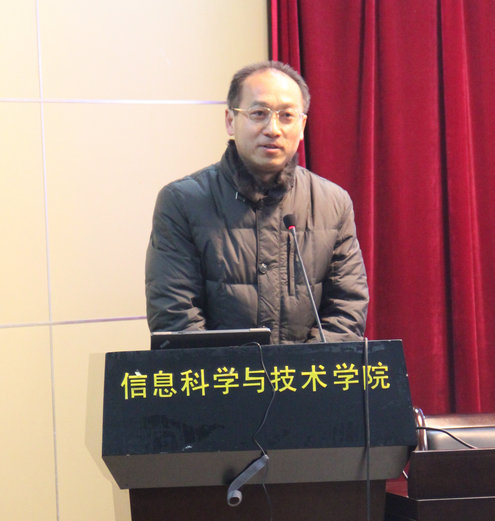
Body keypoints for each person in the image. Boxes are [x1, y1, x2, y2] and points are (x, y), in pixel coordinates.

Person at [145, 61, 368, 344]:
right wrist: (240, 372)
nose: (273, 129)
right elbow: (176, 317)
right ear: (230, 120)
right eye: (259, 113)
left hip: (309, 372)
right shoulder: (182, 203)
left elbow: (346, 311)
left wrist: (303, 369)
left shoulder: (332, 204)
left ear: (302, 126)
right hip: (219, 372)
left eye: (286, 116)